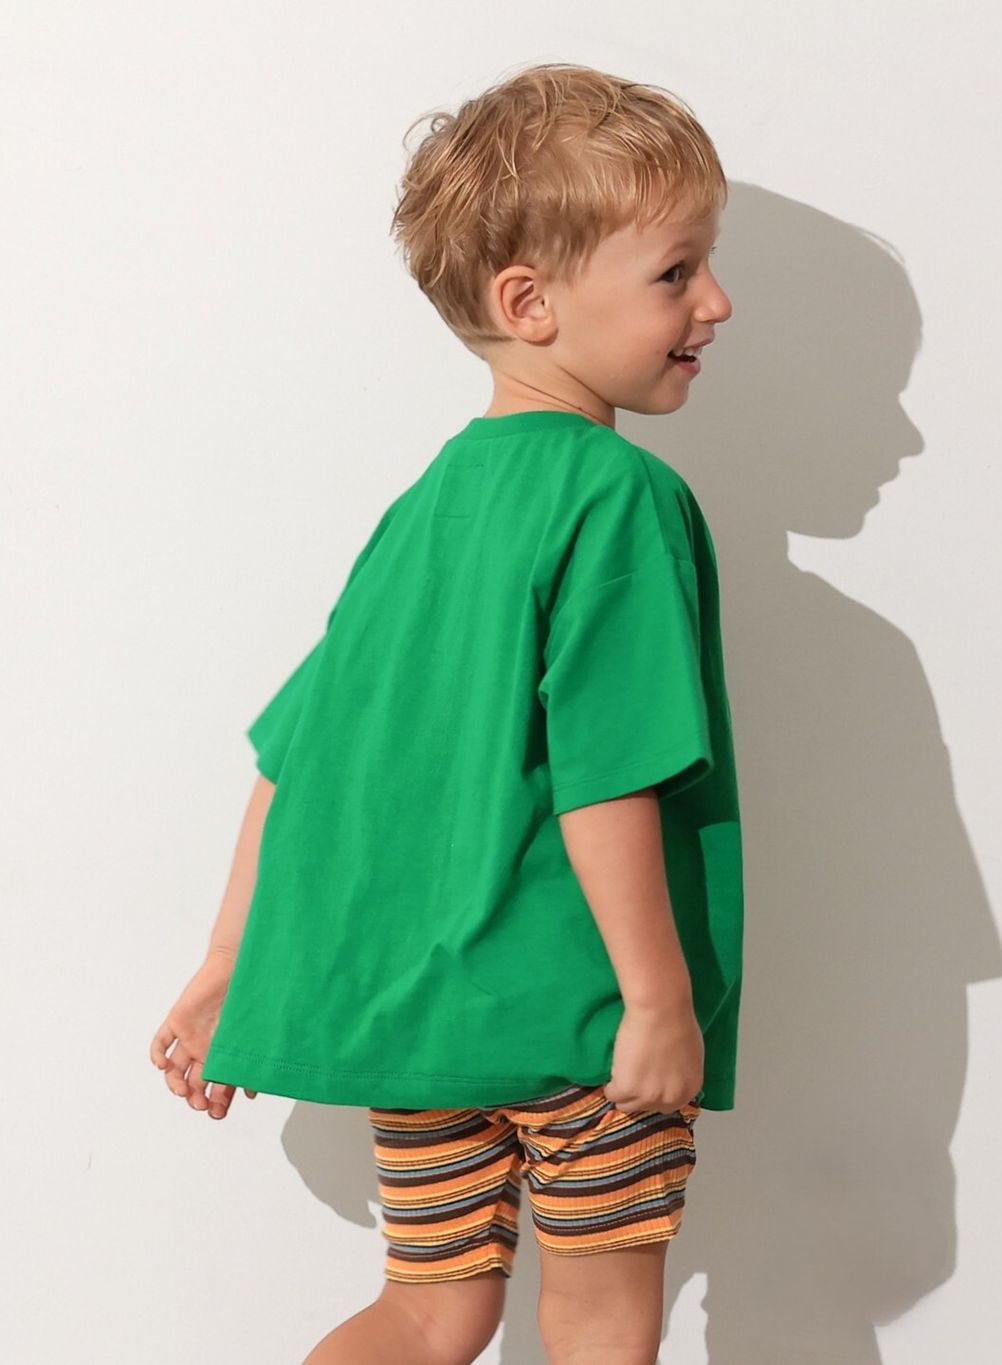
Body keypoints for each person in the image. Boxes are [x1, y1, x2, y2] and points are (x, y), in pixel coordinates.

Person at [150, 61, 742, 1365]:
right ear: (529, 303)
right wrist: (657, 998)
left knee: (428, 1310)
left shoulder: (419, 513)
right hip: (580, 1015)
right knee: (599, 1317)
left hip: (429, 1023)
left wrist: (227, 957)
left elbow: (295, 760)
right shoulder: (618, 497)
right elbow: (607, 770)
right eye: (676, 272)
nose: (717, 301)